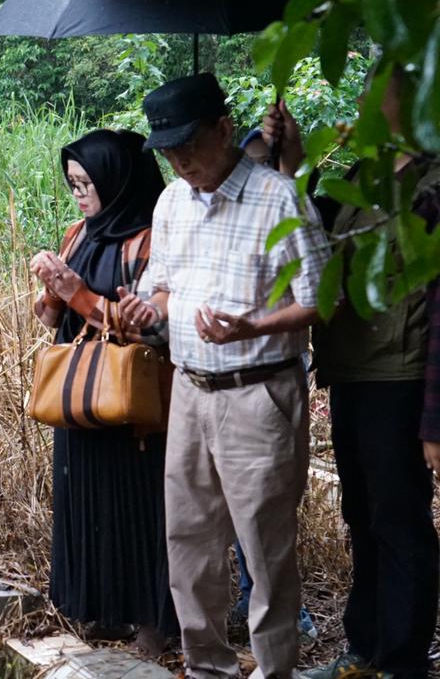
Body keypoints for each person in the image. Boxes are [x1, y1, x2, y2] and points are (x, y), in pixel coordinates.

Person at [117, 73, 329, 679]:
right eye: (168, 151)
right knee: (188, 544)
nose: (180, 161)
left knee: (266, 551)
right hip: (189, 389)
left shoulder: (278, 198)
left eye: (189, 144)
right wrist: (147, 309)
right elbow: (162, 288)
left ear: (224, 128)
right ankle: (207, 667)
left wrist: (253, 326)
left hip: (257, 393)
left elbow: (322, 300)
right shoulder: (171, 203)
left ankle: (273, 670)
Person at [264, 71, 440, 679]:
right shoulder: (352, 180)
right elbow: (306, 243)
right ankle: (364, 650)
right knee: (361, 515)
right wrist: (287, 167)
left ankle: (402, 660)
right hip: (350, 372)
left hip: (403, 376)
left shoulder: (432, 185)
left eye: (376, 87)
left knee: (399, 518)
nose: (362, 96)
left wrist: (435, 417)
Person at [30, 129, 176, 657]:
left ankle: (153, 624)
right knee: (87, 499)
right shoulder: (77, 233)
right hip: (80, 391)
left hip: (131, 393)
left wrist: (79, 294)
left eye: (87, 183)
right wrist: (50, 290)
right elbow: (52, 316)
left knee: (140, 506)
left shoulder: (150, 240)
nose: (79, 195)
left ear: (117, 181)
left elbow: (148, 327)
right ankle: (100, 609)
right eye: (71, 184)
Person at [233, 126, 319, 645]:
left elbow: (308, 293)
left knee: (264, 503)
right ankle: (248, 598)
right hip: (214, 380)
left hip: (272, 376)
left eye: (267, 164)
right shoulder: (224, 216)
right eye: (250, 166)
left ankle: (286, 615)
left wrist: (293, 166)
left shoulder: (293, 216)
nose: (258, 176)